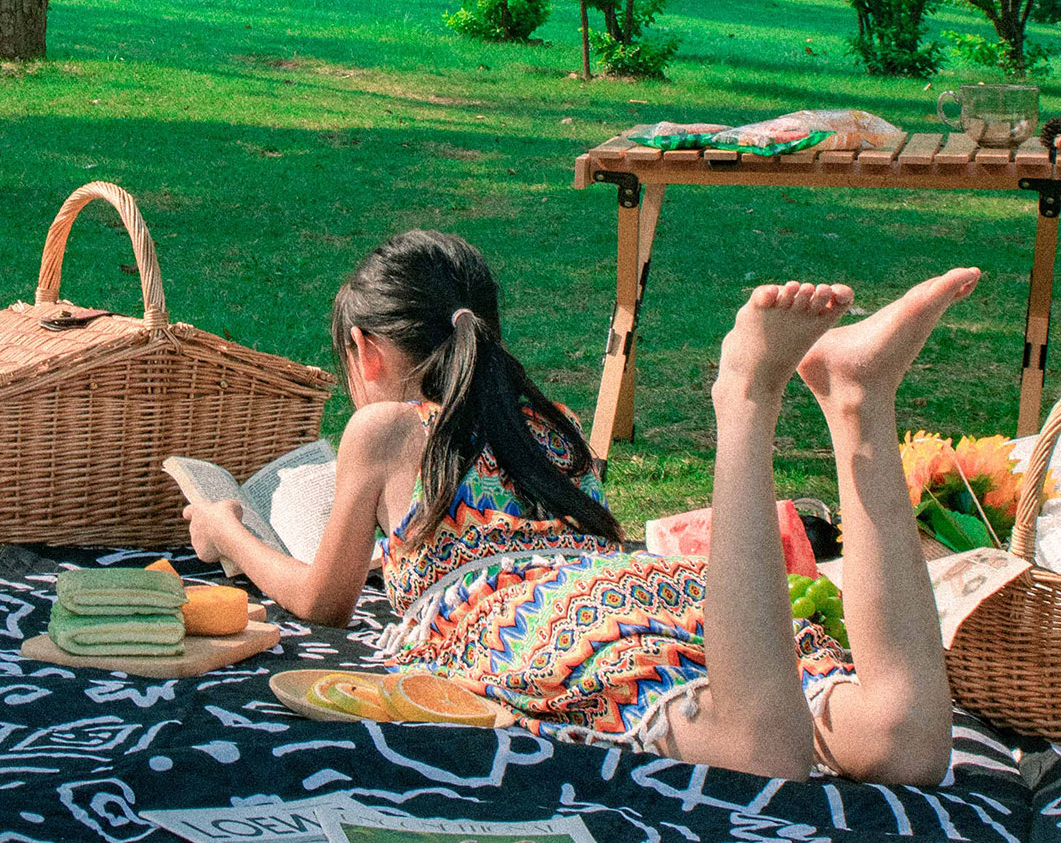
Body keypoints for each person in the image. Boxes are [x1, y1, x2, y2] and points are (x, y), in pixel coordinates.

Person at [183, 230, 980, 785]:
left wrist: (229, 530)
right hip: (649, 593)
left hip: (535, 619)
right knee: (903, 745)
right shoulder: (548, 424)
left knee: (760, 750)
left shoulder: (385, 428)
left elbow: (323, 601)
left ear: (366, 351)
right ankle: (859, 405)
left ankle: (745, 396)